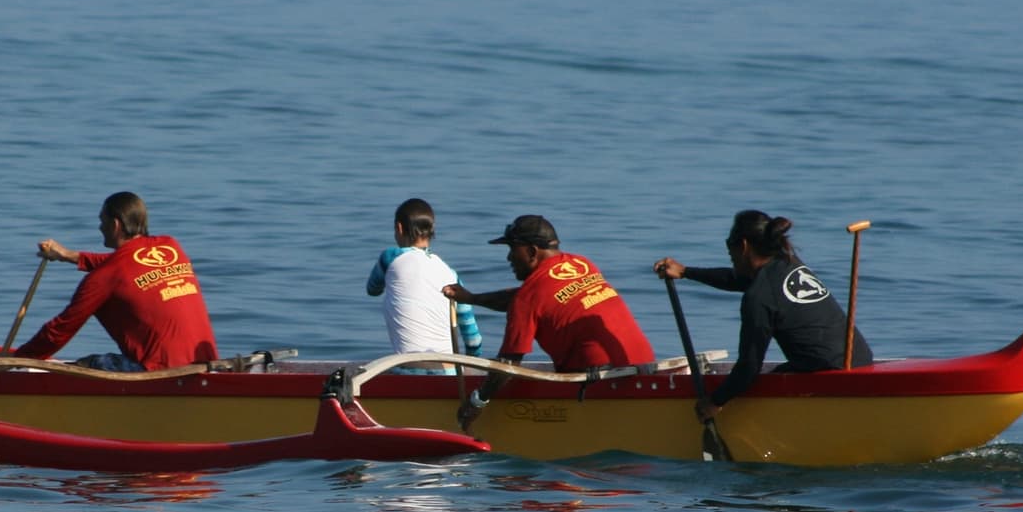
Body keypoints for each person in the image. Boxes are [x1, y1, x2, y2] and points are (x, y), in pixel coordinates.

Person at [653, 209, 872, 421]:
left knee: (755, 381)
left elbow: (749, 366)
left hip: (831, 377)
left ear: (744, 246)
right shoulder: (789, 262)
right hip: (860, 358)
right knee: (774, 373)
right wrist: (685, 272)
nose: (731, 258)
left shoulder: (758, 298)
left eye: (731, 252)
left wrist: (715, 402)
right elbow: (738, 279)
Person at [444, 214, 654, 428]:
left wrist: (477, 402)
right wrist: (472, 299)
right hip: (644, 365)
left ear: (532, 251)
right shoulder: (581, 263)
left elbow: (508, 364)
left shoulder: (529, 297)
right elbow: (532, 299)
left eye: (512, 249)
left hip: (604, 381)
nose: (509, 258)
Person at [14, 191, 218, 370]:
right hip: (205, 364)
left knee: (92, 364)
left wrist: (14, 360)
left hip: (160, 373)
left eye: (102, 221)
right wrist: (69, 255)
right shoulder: (170, 246)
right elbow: (127, 266)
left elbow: (59, 331)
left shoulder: (102, 279)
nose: (99, 228)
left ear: (115, 224)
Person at [365, 198, 482, 368]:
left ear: (399, 228)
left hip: (408, 370)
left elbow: (372, 289)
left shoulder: (390, 257)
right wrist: (473, 365)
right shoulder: (451, 275)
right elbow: (473, 339)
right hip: (450, 373)